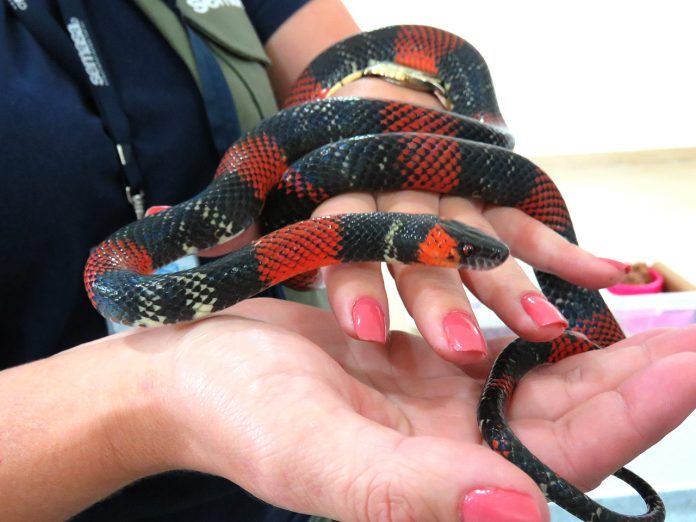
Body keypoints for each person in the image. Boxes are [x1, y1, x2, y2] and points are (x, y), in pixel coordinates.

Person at [1, 1, 695, 521]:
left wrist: (401, 103)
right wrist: (145, 399)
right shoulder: (134, 280)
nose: (477, 260)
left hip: (301, 460)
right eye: (465, 254)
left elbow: (345, 62)